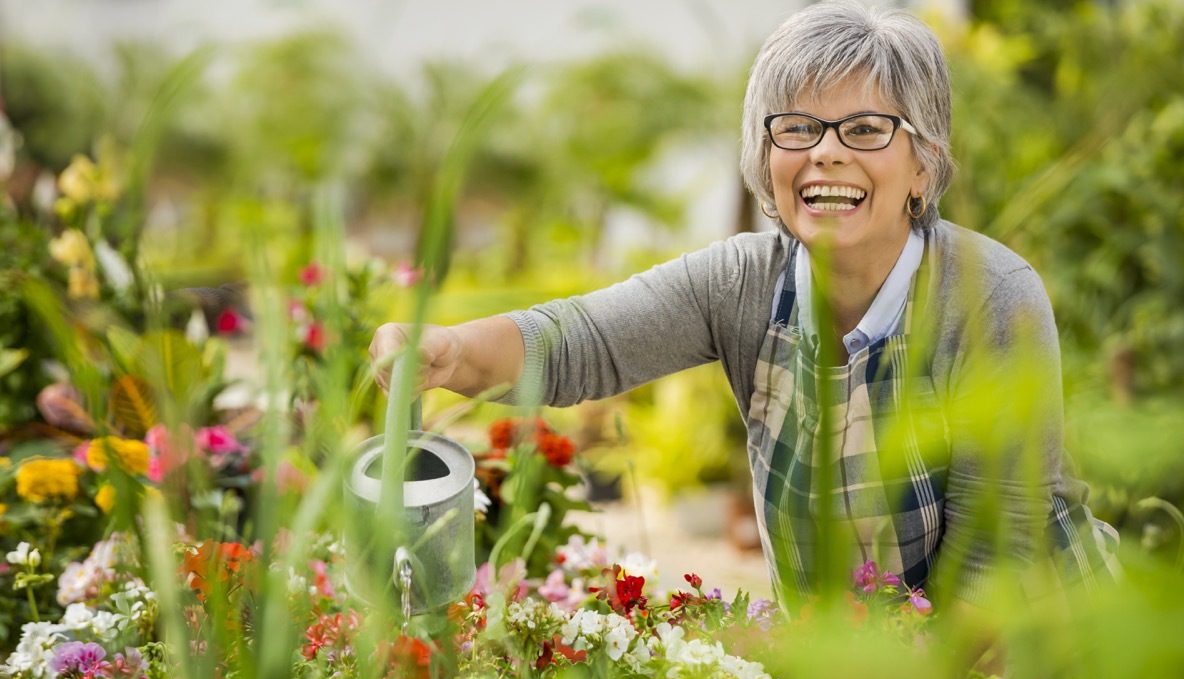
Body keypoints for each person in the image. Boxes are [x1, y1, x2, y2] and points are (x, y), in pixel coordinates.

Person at [370, 1, 1116, 612]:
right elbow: (582, 342)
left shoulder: (990, 296)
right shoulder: (743, 286)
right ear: (767, 160)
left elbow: (994, 561)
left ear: (923, 164)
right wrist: (453, 352)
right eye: (797, 128)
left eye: (865, 129)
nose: (825, 153)